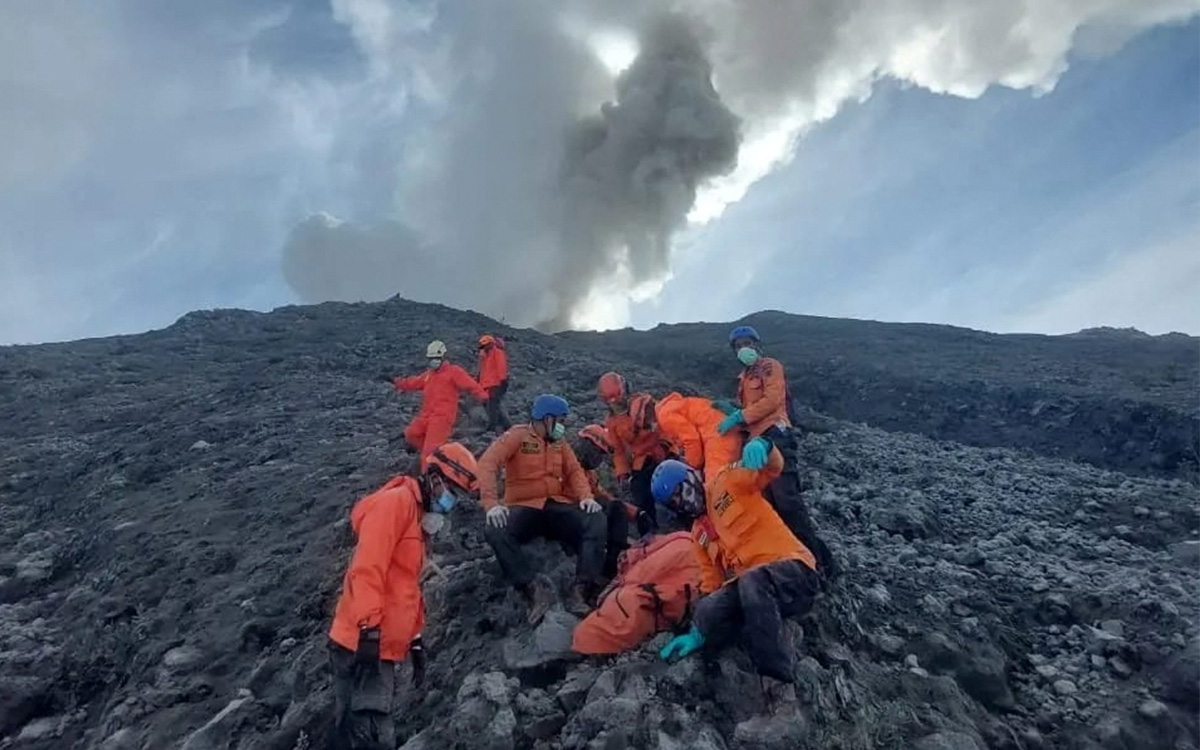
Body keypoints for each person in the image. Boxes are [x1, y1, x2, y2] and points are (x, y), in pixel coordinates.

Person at [327, 443, 479, 749]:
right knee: (371, 733)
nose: (451, 502)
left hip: (380, 642)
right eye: (452, 492)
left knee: (351, 729)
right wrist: (368, 630)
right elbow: (367, 569)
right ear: (435, 478)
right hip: (362, 641)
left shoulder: (416, 517)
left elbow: (406, 588)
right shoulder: (394, 505)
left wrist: (415, 638)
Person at [651, 451, 821, 705]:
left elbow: (769, 468)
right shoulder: (699, 535)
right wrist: (700, 628)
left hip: (794, 572)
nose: (683, 502)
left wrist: (763, 447)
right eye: (675, 502)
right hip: (757, 590)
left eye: (682, 492)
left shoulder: (726, 482)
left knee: (752, 582)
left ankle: (778, 684)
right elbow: (712, 583)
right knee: (709, 607)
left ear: (692, 477)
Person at [716, 325, 837, 582]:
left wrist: (740, 415)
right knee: (773, 507)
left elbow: (771, 401)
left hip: (777, 436)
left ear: (757, 345)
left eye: (747, 343)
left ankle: (817, 568)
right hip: (757, 442)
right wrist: (733, 411)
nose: (743, 349)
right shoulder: (744, 379)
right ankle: (804, 562)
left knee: (789, 503)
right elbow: (752, 410)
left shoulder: (770, 367)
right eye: (738, 346)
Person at [478, 394, 608, 623]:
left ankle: (581, 588)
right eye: (560, 420)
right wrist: (491, 505)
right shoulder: (517, 436)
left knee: (595, 519)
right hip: (523, 507)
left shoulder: (560, 442)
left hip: (555, 507)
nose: (562, 426)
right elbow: (488, 463)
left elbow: (575, 471)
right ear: (546, 419)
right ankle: (532, 588)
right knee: (494, 530)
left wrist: (586, 497)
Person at [598, 372, 674, 536]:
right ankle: (650, 533)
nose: (616, 402)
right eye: (611, 400)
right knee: (640, 496)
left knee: (678, 484)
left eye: (618, 396)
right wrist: (622, 473)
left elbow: (665, 423)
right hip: (642, 461)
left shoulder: (645, 403)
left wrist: (666, 444)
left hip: (663, 451)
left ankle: (687, 519)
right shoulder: (612, 423)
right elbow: (618, 451)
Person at [393, 340, 489, 465]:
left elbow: (471, 385)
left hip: (442, 417)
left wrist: (483, 396)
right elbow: (413, 382)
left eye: (436, 358)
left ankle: (429, 473)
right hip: (426, 414)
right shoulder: (429, 375)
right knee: (411, 434)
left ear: (443, 357)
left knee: (429, 451)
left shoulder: (454, 371)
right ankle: (438, 456)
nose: (433, 360)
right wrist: (396, 382)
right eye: (431, 358)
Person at [573, 424, 635, 577]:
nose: (598, 459)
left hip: (580, 514)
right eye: (598, 452)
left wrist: (634, 512)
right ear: (587, 445)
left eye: (602, 454)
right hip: (568, 516)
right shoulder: (566, 464)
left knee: (616, 508)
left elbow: (603, 495)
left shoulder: (589, 474)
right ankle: (593, 576)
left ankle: (612, 565)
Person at [642, 392, 742, 481]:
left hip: (719, 434)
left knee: (715, 485)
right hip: (724, 428)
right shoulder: (669, 406)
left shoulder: (664, 417)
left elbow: (691, 440)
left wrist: (690, 469)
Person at [477, 334, 512, 432]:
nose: (484, 348)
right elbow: (483, 371)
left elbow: (501, 367)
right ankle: (506, 425)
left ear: (491, 344)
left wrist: (502, 380)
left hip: (496, 384)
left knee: (493, 405)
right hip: (487, 385)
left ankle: (493, 426)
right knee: (492, 405)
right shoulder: (485, 356)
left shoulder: (497, 353)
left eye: (486, 345)